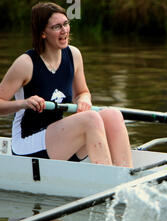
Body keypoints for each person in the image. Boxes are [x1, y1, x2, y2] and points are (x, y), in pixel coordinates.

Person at [0, 2, 133, 167]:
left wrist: (84, 99)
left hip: (58, 139)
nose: (64, 31)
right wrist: (24, 103)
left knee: (113, 115)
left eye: (66, 24)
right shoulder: (25, 64)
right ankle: (106, 178)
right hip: (27, 143)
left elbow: (83, 92)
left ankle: (127, 177)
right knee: (91, 118)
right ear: (42, 33)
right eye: (56, 27)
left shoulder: (74, 55)